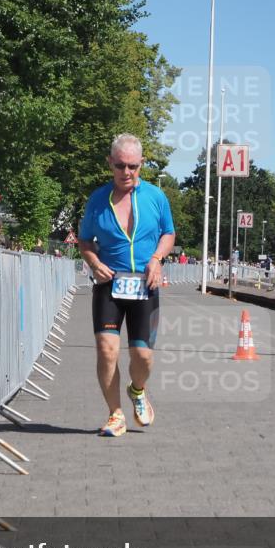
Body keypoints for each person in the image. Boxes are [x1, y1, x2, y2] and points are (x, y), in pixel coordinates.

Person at [78, 133, 175, 437]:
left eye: (133, 166)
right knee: (107, 351)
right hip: (110, 285)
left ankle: (137, 389)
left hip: (145, 285)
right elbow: (84, 241)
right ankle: (115, 414)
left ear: (141, 165)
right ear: (110, 163)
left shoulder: (156, 197)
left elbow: (168, 234)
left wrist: (157, 259)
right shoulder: (97, 200)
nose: (126, 172)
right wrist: (94, 263)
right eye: (120, 165)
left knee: (142, 356)